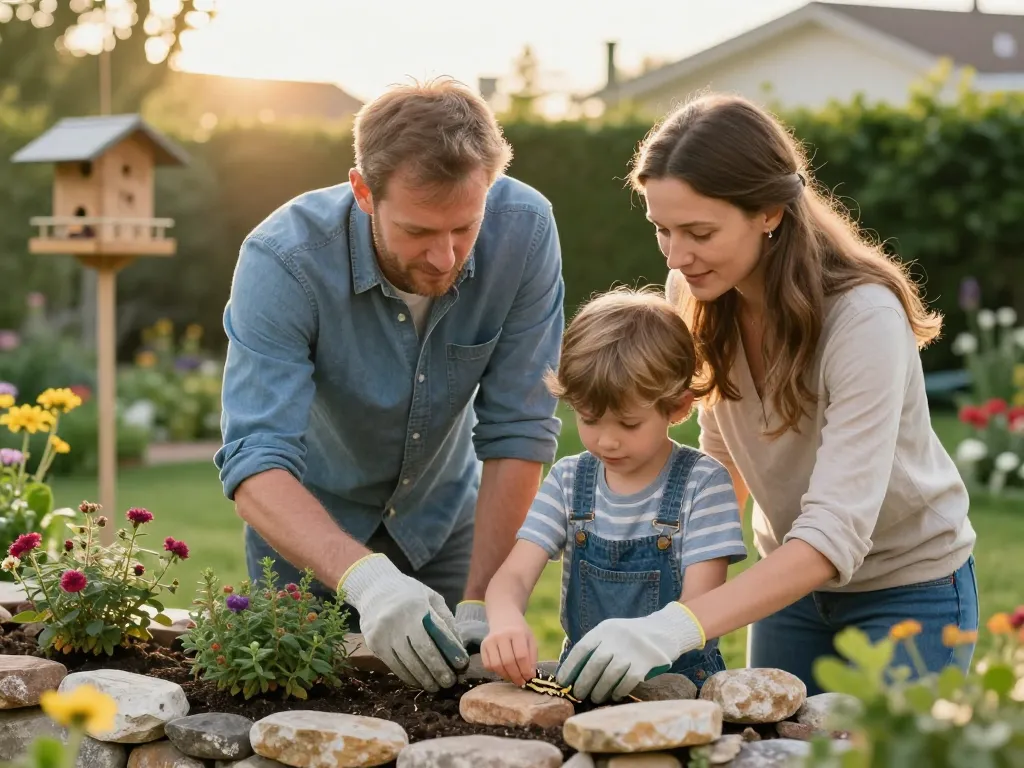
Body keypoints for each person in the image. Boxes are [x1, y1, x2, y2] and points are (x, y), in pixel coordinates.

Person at [556, 92, 978, 702]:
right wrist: (686, 601)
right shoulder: (696, 288)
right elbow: (723, 452)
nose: (676, 256)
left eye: (699, 231)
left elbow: (835, 531)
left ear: (771, 211)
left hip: (910, 591)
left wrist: (675, 626)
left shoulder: (862, 319)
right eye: (662, 230)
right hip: (792, 590)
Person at [213, 78, 566, 694]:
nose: (443, 257)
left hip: (447, 523)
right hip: (307, 533)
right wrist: (367, 579)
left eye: (465, 226)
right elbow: (255, 460)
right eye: (417, 232)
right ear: (363, 191)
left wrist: (485, 599)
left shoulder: (526, 230)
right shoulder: (282, 259)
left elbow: (520, 428)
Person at [481, 288, 748, 703]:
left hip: (680, 689)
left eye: (627, 423)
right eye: (589, 419)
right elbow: (512, 576)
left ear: (677, 407)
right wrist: (504, 619)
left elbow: (703, 604)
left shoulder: (704, 485)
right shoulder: (570, 480)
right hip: (586, 686)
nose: (607, 441)